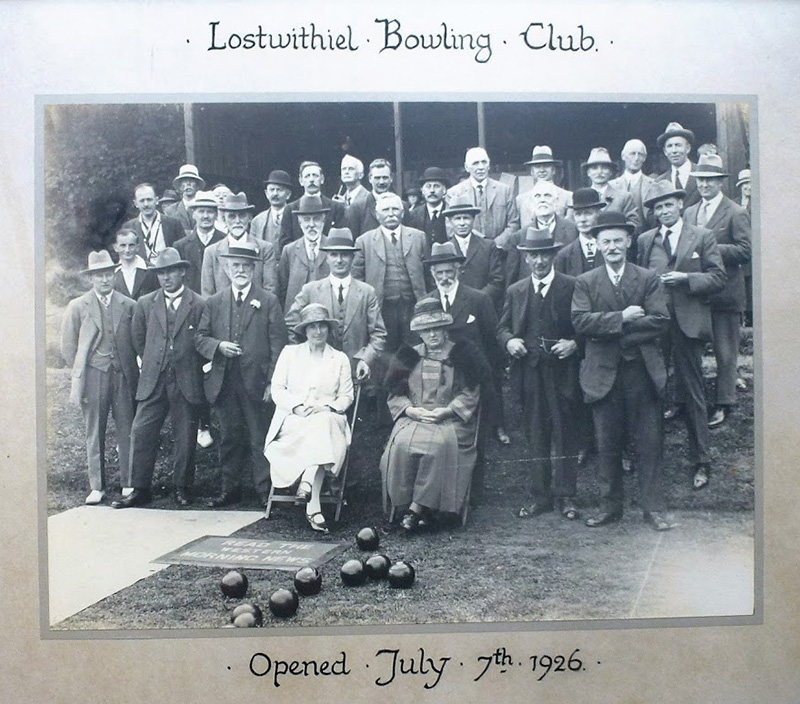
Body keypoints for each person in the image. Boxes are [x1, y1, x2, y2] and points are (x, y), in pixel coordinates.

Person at [571, 211, 671, 531]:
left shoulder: (648, 278)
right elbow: (581, 322)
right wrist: (622, 317)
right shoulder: (586, 281)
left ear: (628, 242)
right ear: (598, 245)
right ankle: (610, 507)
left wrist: (611, 331)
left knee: (649, 444)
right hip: (602, 374)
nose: (612, 247)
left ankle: (653, 509)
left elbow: (660, 321)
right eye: (606, 242)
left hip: (641, 371)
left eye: (617, 240)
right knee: (607, 444)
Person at [637, 180, 726, 490]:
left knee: (693, 390)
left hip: (688, 324)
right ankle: (651, 462)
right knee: (652, 387)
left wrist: (686, 278)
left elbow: (718, 277)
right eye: (658, 207)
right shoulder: (646, 240)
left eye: (668, 204)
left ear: (679, 204)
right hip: (656, 324)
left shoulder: (702, 236)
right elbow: (640, 280)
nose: (664, 211)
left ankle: (702, 461)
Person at [380, 299, 488, 532]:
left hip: (450, 420)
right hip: (414, 417)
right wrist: (410, 410)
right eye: (426, 330)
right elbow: (395, 393)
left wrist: (448, 410)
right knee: (400, 445)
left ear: (445, 329)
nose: (432, 334)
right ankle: (407, 505)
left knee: (438, 446)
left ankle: (416, 508)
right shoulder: (408, 355)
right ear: (419, 332)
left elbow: (471, 393)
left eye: (437, 328)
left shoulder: (462, 354)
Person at [112, 248, 206, 508]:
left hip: (186, 379)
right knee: (141, 430)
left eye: (171, 271)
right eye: (161, 273)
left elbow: (203, 339)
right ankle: (139, 488)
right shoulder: (146, 303)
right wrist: (154, 360)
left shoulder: (198, 303)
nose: (166, 277)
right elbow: (138, 338)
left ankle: (182, 488)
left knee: (185, 434)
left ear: (182, 271)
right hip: (153, 379)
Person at [195, 241, 287, 508]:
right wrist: (218, 346)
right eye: (235, 265)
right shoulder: (215, 302)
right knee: (229, 437)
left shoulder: (268, 301)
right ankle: (229, 489)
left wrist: (271, 382)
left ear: (254, 269)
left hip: (256, 381)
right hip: (224, 381)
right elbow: (199, 338)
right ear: (226, 268)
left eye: (246, 266)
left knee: (259, 437)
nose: (240, 270)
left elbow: (278, 345)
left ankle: (264, 491)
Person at [498, 227, 581, 520]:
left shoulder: (571, 286)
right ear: (526, 258)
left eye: (544, 255)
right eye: (533, 256)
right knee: (535, 435)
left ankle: (566, 497)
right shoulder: (516, 290)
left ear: (553, 255)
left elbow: (585, 326)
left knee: (565, 433)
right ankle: (540, 497)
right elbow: (502, 328)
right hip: (529, 373)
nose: (539, 261)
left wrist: (574, 343)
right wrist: (510, 341)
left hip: (563, 373)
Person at [264, 304, 355, 534]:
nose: (318, 331)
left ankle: (309, 487)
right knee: (321, 432)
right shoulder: (289, 354)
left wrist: (326, 407)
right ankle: (312, 501)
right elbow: (277, 389)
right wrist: (296, 407)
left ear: (328, 329)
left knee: (323, 423)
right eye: (312, 327)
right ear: (304, 330)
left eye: (322, 326)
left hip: (329, 417)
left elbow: (346, 396)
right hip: (295, 420)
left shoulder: (339, 358)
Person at [60, 251, 138, 505]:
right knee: (94, 431)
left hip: (123, 376)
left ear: (114, 275)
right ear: (91, 278)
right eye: (99, 275)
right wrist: (84, 370)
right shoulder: (77, 306)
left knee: (127, 429)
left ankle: (128, 482)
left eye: (108, 274)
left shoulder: (128, 305)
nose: (104, 280)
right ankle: (97, 486)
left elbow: (136, 341)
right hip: (94, 376)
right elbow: (68, 347)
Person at [683, 154, 752, 428]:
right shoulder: (689, 212)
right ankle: (690, 402)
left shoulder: (735, 212)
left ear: (720, 182)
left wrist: (710, 248)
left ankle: (725, 403)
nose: (704, 185)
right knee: (692, 351)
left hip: (725, 293)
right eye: (700, 180)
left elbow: (745, 251)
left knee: (725, 353)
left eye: (710, 180)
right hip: (697, 293)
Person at [285, 227, 386, 382]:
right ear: (326, 257)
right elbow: (291, 325)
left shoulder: (367, 292)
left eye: (344, 255)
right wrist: (305, 356)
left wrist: (366, 360)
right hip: (318, 373)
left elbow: (379, 334)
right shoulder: (310, 290)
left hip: (356, 373)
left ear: (353, 258)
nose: (339, 260)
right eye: (334, 254)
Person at [352, 193, 427, 358]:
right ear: (377, 215)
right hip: (382, 308)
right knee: (385, 353)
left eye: (395, 209)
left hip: (413, 306)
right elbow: (357, 279)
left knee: (414, 351)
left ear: (402, 213)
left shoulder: (418, 237)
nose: (391, 214)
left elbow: (428, 275)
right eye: (386, 210)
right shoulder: (364, 241)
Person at [200, 192, 278, 297]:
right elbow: (207, 293)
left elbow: (270, 289)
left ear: (249, 218)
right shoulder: (211, 252)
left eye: (242, 216)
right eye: (232, 216)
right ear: (224, 220)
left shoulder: (265, 249)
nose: (237, 221)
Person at [502, 180, 578, 286]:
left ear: (556, 201)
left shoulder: (573, 230)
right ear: (531, 203)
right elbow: (511, 279)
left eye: (547, 195)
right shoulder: (519, 237)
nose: (542, 200)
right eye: (537, 196)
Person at [446, 146, 520, 241]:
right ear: (466, 167)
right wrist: (479, 245)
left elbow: (513, 223)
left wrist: (496, 244)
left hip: (500, 247)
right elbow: (450, 227)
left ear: (488, 165)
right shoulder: (454, 193)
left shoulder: (504, 190)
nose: (481, 167)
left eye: (484, 162)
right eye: (475, 163)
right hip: (469, 248)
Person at [442, 196, 505, 307]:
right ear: (450, 221)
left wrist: (478, 299)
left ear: (473, 219)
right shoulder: (445, 249)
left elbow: (497, 280)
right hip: (455, 307)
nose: (462, 223)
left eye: (466, 218)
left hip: (483, 305)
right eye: (457, 219)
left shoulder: (488, 246)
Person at [277, 194, 330, 311]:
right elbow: (282, 289)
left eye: (316, 219)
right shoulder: (289, 250)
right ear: (300, 223)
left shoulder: (332, 247)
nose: (311, 225)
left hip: (326, 313)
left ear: (323, 221)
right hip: (296, 314)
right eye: (306, 220)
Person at [279, 161, 346, 248]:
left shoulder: (336, 207)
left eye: (315, 175)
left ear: (322, 179)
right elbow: (285, 242)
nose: (311, 179)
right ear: (301, 181)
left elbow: (340, 240)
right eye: (307, 176)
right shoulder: (290, 209)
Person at [173, 190, 226, 294]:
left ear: (216, 215)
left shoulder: (225, 242)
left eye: (210, 212)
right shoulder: (180, 246)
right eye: (201, 211)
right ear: (193, 214)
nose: (205, 216)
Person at [582, 147, 641, 239]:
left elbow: (634, 225)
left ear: (610, 172)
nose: (599, 172)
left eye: (604, 168)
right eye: (594, 168)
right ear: (588, 173)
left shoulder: (624, 197)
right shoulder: (581, 197)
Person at [122, 183, 185, 265]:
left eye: (149, 200)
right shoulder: (129, 227)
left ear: (156, 200)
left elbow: (183, 252)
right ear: (136, 203)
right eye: (142, 201)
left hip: (167, 270)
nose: (146, 204)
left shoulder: (173, 223)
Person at [554, 188, 606, 277]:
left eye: (588, 213)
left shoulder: (609, 249)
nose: (582, 220)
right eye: (578, 214)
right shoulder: (563, 256)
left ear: (599, 213)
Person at [608, 139, 655, 229]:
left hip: (648, 234)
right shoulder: (612, 186)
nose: (636, 158)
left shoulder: (653, 184)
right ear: (623, 156)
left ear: (644, 158)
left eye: (640, 154)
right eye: (632, 154)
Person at [346, 157, 397, 238]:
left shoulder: (401, 206)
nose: (381, 182)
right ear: (370, 179)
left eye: (385, 177)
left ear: (391, 178)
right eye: (377, 178)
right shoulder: (357, 208)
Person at [655, 122, 701, 208]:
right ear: (665, 151)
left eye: (678, 145)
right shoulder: (659, 182)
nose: (674, 151)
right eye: (670, 146)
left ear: (688, 148)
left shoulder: (701, 173)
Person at [521, 145, 573, 217]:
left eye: (546, 166)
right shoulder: (521, 200)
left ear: (553, 170)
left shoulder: (568, 196)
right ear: (532, 171)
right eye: (537, 166)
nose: (542, 170)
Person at [249, 170, 293, 253]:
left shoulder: (295, 218)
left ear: (288, 194)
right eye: (272, 190)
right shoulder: (257, 221)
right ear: (266, 193)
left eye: (279, 190)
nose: (275, 193)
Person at [406, 166, 450, 248]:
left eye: (436, 186)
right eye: (428, 186)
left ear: (444, 190)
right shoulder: (413, 215)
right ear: (422, 190)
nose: (432, 190)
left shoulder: (451, 213)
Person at [111, 227, 157, 300]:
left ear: (137, 247)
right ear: (115, 247)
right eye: (123, 245)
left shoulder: (151, 270)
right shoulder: (112, 273)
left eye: (131, 245)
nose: (127, 250)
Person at [163, 164, 205, 232]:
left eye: (192, 180)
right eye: (185, 181)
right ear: (180, 186)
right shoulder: (170, 210)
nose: (188, 183)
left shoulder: (204, 208)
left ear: (197, 186)